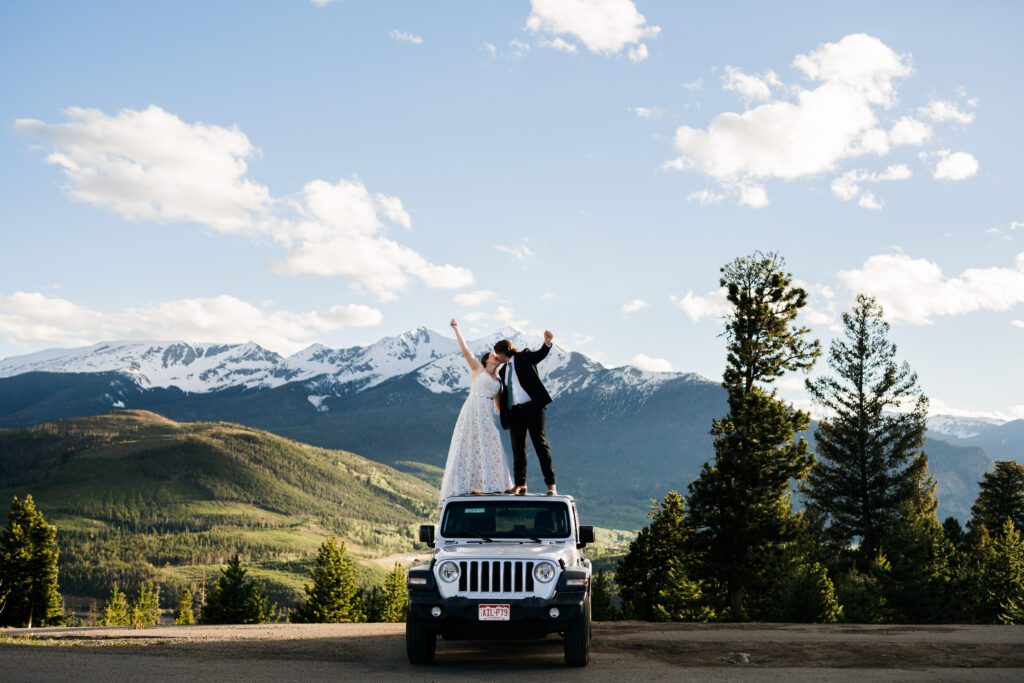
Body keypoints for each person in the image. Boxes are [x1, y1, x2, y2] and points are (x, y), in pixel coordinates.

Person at [438, 319, 513, 502]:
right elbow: (465, 350)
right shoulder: (477, 369)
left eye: (497, 356)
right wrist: (457, 329)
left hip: (486, 414)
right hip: (472, 410)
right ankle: (468, 484)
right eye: (492, 355)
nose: (496, 357)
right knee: (467, 444)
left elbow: (498, 405)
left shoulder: (499, 382)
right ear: (486, 360)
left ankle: (495, 484)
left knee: (491, 443)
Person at [493, 330, 557, 496]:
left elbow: (540, 355)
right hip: (515, 413)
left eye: (497, 354)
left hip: (533, 408)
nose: (496, 357)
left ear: (503, 353)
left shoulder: (524, 356)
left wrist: (547, 343)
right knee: (517, 449)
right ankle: (520, 484)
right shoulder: (502, 371)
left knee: (540, 445)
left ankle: (551, 485)